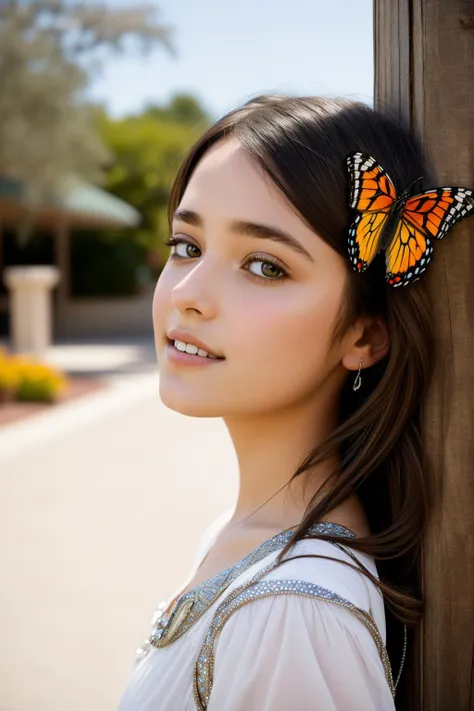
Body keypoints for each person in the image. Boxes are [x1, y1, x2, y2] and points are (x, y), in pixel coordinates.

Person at [116, 94, 468, 710]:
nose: (188, 294)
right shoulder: (244, 541)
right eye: (186, 246)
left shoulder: (290, 614)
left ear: (364, 334)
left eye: (263, 265)